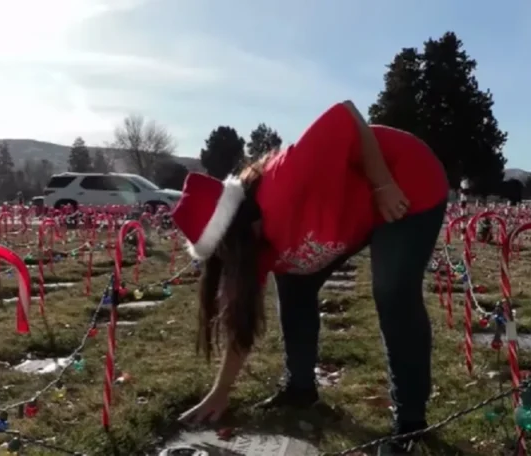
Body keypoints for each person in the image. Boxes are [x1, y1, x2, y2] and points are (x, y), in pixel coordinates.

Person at [169, 100, 448, 456]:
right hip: (357, 213)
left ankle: (411, 422)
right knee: (294, 280)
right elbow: (242, 321)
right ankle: (300, 388)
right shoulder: (256, 246)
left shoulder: (286, 181)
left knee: (392, 291)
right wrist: (220, 391)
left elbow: (345, 114)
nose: (234, 266)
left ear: (238, 230)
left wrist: (382, 185)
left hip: (407, 182)